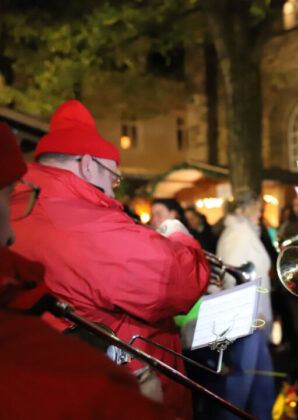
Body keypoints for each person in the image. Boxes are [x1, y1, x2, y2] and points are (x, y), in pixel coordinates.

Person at [10, 100, 211, 419]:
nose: (113, 195)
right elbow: (183, 280)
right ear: (87, 165)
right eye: (113, 180)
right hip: (131, 393)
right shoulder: (81, 220)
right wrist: (178, 234)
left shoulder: (21, 204)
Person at [215, 189, 275, 420]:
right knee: (241, 382)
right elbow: (238, 279)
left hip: (253, 317)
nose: (260, 213)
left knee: (261, 380)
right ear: (244, 209)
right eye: (257, 208)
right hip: (247, 318)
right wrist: (254, 315)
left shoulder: (243, 232)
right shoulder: (239, 235)